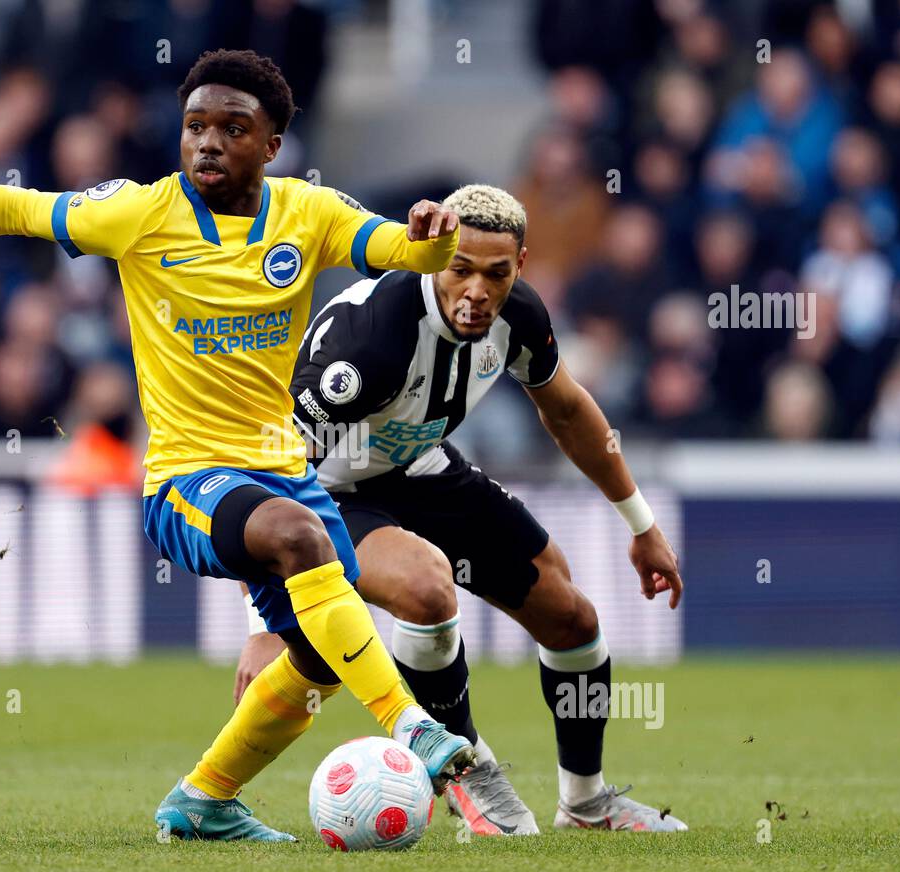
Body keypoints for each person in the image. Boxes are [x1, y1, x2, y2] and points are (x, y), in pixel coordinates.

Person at [0, 49, 475, 842]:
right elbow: (10, 209)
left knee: (321, 655)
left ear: (273, 144)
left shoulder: (308, 213)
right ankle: (411, 725)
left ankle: (203, 800)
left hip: (284, 473)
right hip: (187, 480)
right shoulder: (140, 213)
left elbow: (406, 252)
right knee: (301, 544)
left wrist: (432, 238)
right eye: (194, 127)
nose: (208, 143)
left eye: (232, 128)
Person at [235, 185, 688, 833]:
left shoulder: (520, 315)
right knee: (426, 588)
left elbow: (566, 409)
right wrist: (263, 621)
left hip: (420, 466)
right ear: (432, 254)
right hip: (327, 489)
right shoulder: (372, 343)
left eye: (496, 274)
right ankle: (465, 769)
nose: (477, 290)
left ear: (521, 266)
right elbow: (275, 470)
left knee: (571, 615)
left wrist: (642, 526)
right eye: (460, 268)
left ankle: (587, 802)